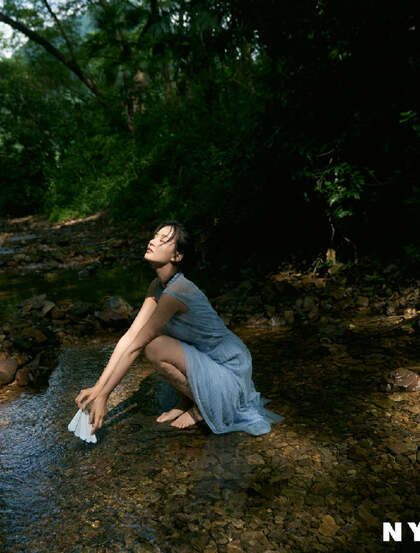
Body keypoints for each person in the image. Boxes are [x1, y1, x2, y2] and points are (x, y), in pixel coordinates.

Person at [75, 220, 284, 435]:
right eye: (155, 236)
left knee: (154, 346)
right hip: (209, 362)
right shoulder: (157, 286)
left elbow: (137, 346)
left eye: (163, 240)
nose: (153, 241)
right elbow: (129, 337)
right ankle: (187, 401)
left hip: (229, 369)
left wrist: (105, 396)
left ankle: (203, 407)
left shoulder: (177, 292)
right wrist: (98, 387)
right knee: (156, 340)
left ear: (177, 256)